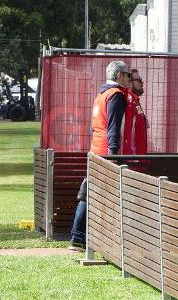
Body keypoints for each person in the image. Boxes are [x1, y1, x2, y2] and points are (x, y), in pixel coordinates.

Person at [69, 61, 131, 251]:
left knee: (87, 194)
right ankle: (81, 237)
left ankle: (79, 238)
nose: (129, 78)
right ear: (119, 76)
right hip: (106, 152)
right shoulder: (116, 96)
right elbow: (113, 127)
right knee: (99, 195)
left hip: (96, 150)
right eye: (128, 74)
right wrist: (113, 155)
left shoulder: (101, 94)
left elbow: (94, 126)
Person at [122, 69, 148, 155]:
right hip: (133, 156)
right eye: (139, 80)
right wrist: (132, 155)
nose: (142, 83)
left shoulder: (135, 100)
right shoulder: (129, 100)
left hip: (138, 155)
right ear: (129, 82)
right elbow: (127, 129)